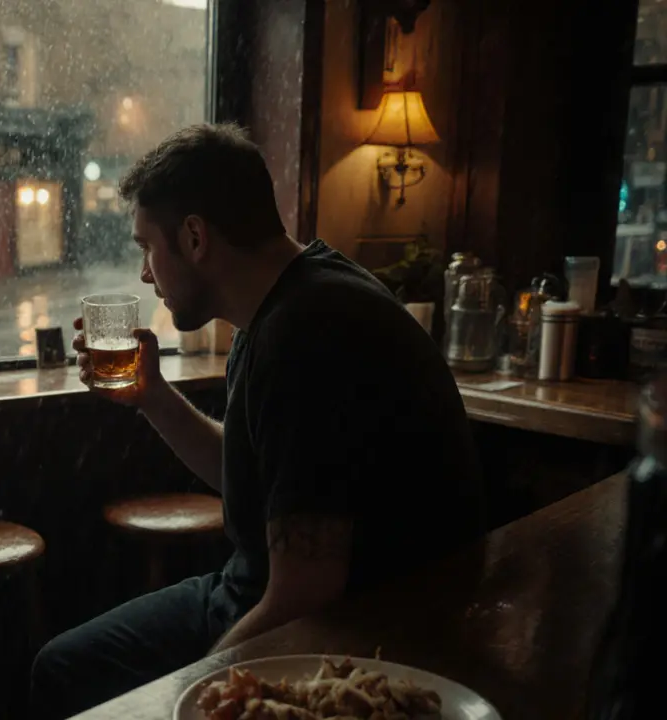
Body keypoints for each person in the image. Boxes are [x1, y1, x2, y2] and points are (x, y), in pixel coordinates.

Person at [29, 124, 486, 718]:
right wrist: (155, 397)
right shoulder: (286, 300)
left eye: (147, 247)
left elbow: (307, 593)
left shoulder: (307, 335)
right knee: (63, 666)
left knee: (81, 682)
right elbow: (256, 478)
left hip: (355, 634)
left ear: (195, 236)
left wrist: (195, 689)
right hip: (251, 589)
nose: (145, 273)